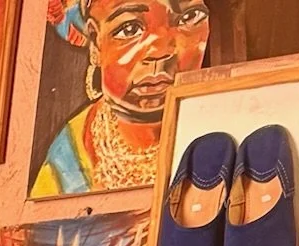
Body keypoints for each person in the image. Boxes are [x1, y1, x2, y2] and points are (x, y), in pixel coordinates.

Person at [32, 0, 209, 197]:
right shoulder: (66, 163)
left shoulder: (229, 131)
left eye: (189, 17)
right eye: (129, 29)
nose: (161, 50)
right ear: (96, 41)